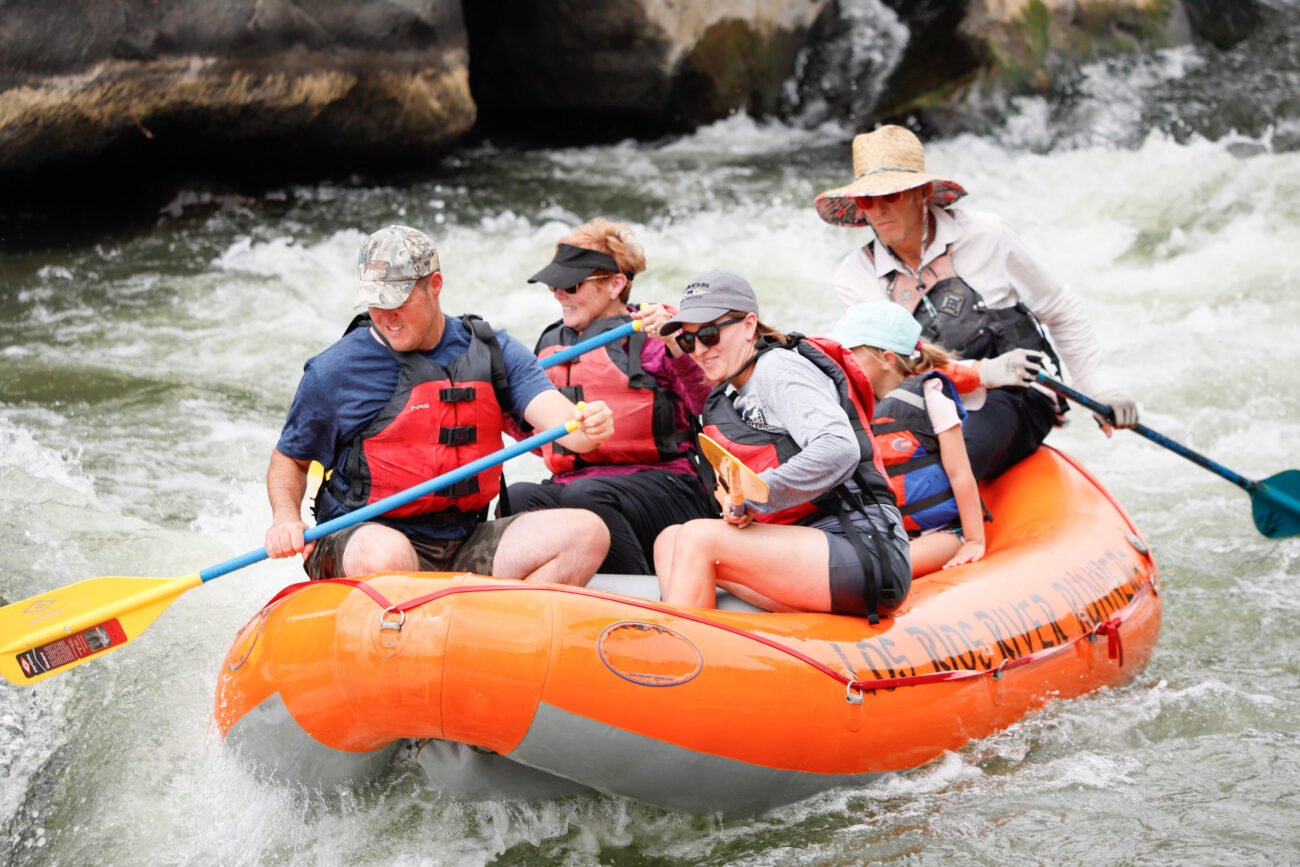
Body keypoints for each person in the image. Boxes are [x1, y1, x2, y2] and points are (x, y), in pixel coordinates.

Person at [264, 225, 615, 586]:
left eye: (399, 301)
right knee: (390, 554)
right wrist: (286, 518)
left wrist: (587, 427)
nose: (387, 317)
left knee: (587, 534)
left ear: (434, 285)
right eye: (377, 303)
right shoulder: (335, 371)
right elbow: (290, 458)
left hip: (461, 542)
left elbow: (565, 425)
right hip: (363, 539)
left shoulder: (494, 350)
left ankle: (497, 628)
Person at [814, 124, 1138, 482]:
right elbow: (878, 372)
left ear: (921, 192)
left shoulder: (989, 236)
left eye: (890, 195)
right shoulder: (854, 275)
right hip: (923, 404)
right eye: (866, 200)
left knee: (942, 470)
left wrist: (1100, 388)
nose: (878, 209)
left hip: (1014, 394)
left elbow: (1061, 309)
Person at [654, 270, 911, 622]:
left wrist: (756, 494)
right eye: (688, 341)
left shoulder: (779, 368)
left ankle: (675, 662)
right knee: (669, 539)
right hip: (803, 547)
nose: (699, 350)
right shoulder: (735, 390)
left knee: (697, 539)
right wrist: (740, 502)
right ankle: (708, 648)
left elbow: (840, 447)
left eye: (710, 335)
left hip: (864, 548)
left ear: (749, 325)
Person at [502, 219, 718, 574]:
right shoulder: (550, 345)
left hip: (669, 485)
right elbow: (540, 437)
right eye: (554, 285)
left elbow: (708, 403)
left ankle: (640, 597)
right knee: (520, 497)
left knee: (586, 495)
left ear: (616, 284)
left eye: (570, 285)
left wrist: (677, 345)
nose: (559, 294)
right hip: (580, 483)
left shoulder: (658, 334)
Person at [828, 301, 985, 577]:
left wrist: (974, 540)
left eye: (850, 355)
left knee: (882, 572)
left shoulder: (931, 398)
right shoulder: (849, 407)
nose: (842, 363)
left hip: (937, 534)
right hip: (882, 532)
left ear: (887, 359)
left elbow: (960, 473)